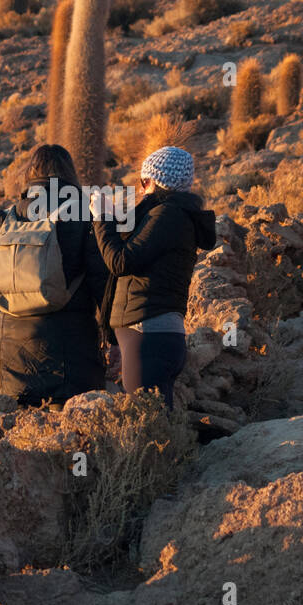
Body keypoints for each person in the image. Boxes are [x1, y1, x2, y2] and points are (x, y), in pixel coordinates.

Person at [0, 144, 108, 409]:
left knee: (12, 445)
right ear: (69, 174)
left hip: (7, 367)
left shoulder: (2, 220)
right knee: (70, 445)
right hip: (71, 365)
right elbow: (103, 284)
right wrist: (113, 339)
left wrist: (12, 314)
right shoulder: (86, 217)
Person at [90, 146, 215, 414]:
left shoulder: (168, 216)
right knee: (154, 422)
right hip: (150, 338)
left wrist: (103, 218)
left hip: (149, 338)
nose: (141, 188)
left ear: (154, 182)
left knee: (148, 425)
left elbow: (120, 261)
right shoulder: (166, 216)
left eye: (143, 181)